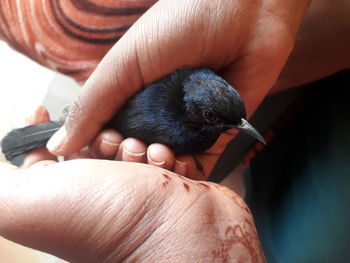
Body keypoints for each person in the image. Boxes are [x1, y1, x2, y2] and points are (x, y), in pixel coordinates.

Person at [0, 0, 349, 262]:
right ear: (194, 110)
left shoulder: (200, 102)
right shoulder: (179, 127)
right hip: (111, 125)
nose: (236, 128)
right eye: (219, 119)